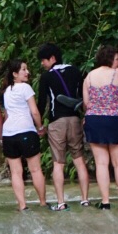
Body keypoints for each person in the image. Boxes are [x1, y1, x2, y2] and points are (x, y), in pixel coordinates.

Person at [37, 43, 90, 209]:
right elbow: (83, 97)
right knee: (79, 161)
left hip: (57, 123)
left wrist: (39, 126)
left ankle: (61, 203)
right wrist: (86, 115)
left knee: (58, 163)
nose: (42, 64)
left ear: (52, 58)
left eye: (44, 60)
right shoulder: (75, 71)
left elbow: (40, 104)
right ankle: (85, 200)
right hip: (74, 120)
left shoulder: (46, 77)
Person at [83, 45, 118, 210]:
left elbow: (86, 103)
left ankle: (105, 202)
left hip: (94, 120)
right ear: (110, 59)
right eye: (117, 59)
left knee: (101, 163)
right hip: (114, 119)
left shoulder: (89, 76)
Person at [0, 60, 47, 210]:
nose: (27, 72)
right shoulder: (25, 88)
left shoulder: (7, 91)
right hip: (26, 130)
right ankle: (42, 202)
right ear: (15, 74)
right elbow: (34, 111)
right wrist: (40, 127)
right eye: (24, 70)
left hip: (9, 134)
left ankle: (22, 206)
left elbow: (6, 115)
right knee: (35, 169)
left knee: (15, 172)